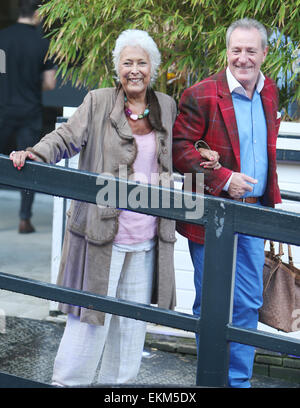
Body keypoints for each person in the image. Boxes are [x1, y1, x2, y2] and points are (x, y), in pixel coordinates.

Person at [10, 28, 218, 386]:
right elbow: (66, 138)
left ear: (153, 67)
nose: (134, 69)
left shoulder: (167, 106)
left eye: (141, 62)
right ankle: (68, 383)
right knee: (89, 318)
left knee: (131, 324)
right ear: (116, 69)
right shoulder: (98, 101)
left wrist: (201, 152)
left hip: (148, 235)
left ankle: (116, 389)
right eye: (127, 63)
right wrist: (34, 152)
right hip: (101, 233)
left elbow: (183, 144)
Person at [172, 18, 281, 388]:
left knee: (249, 302)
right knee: (212, 304)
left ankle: (238, 382)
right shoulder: (201, 94)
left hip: (255, 213)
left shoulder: (270, 92)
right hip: (210, 215)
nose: (243, 58)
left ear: (264, 53)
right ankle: (212, 381)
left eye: (251, 50)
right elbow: (179, 151)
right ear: (227, 51)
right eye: (236, 50)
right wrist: (223, 179)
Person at [0, 0, 56, 233]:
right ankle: (24, 218)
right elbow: (50, 84)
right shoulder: (43, 44)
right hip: (30, 110)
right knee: (26, 164)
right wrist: (33, 87)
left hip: (3, 109)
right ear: (38, 15)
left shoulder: (2, 38)